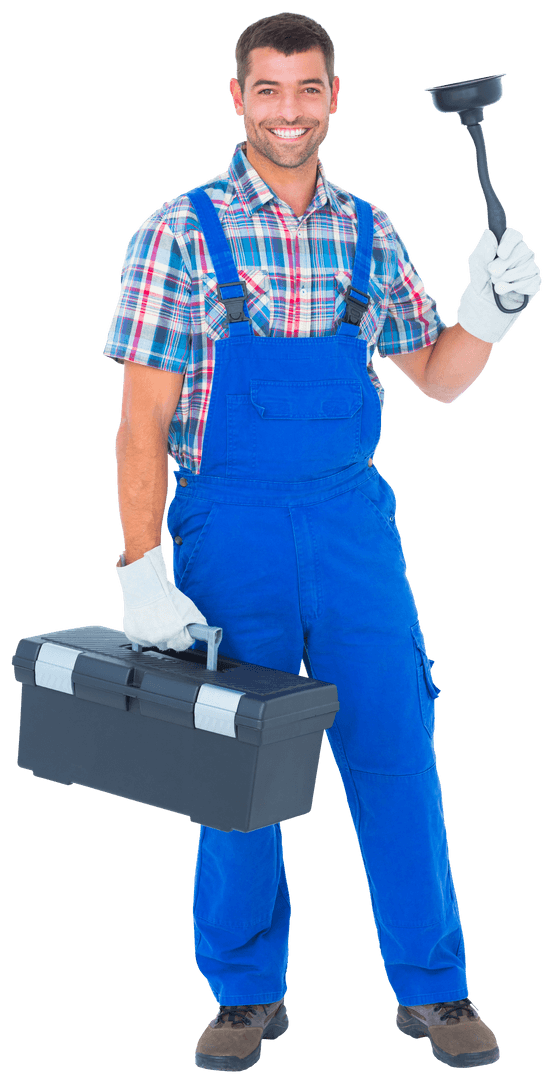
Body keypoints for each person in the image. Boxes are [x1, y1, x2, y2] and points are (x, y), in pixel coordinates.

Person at [104, 13, 541, 1074]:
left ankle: (433, 989)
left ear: (333, 97)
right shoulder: (178, 233)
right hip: (230, 524)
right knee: (238, 764)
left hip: (351, 522)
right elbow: (140, 421)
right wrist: (141, 567)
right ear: (236, 96)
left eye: (307, 90)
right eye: (267, 90)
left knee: (394, 741)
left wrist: (488, 311)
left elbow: (434, 375)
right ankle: (245, 992)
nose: (287, 111)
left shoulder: (367, 233)